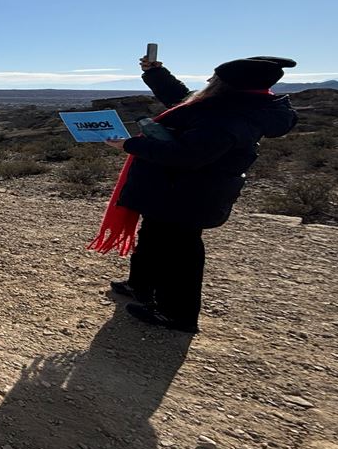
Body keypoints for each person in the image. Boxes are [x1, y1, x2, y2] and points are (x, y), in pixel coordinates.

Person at [90, 55, 299, 333]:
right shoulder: (236, 105)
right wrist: (156, 74)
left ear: (228, 86)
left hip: (190, 194)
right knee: (154, 235)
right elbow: (184, 99)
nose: (209, 81)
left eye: (215, 78)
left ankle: (177, 314)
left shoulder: (227, 117)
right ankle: (141, 285)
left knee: (181, 252)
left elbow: (188, 156)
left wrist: (130, 145)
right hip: (176, 190)